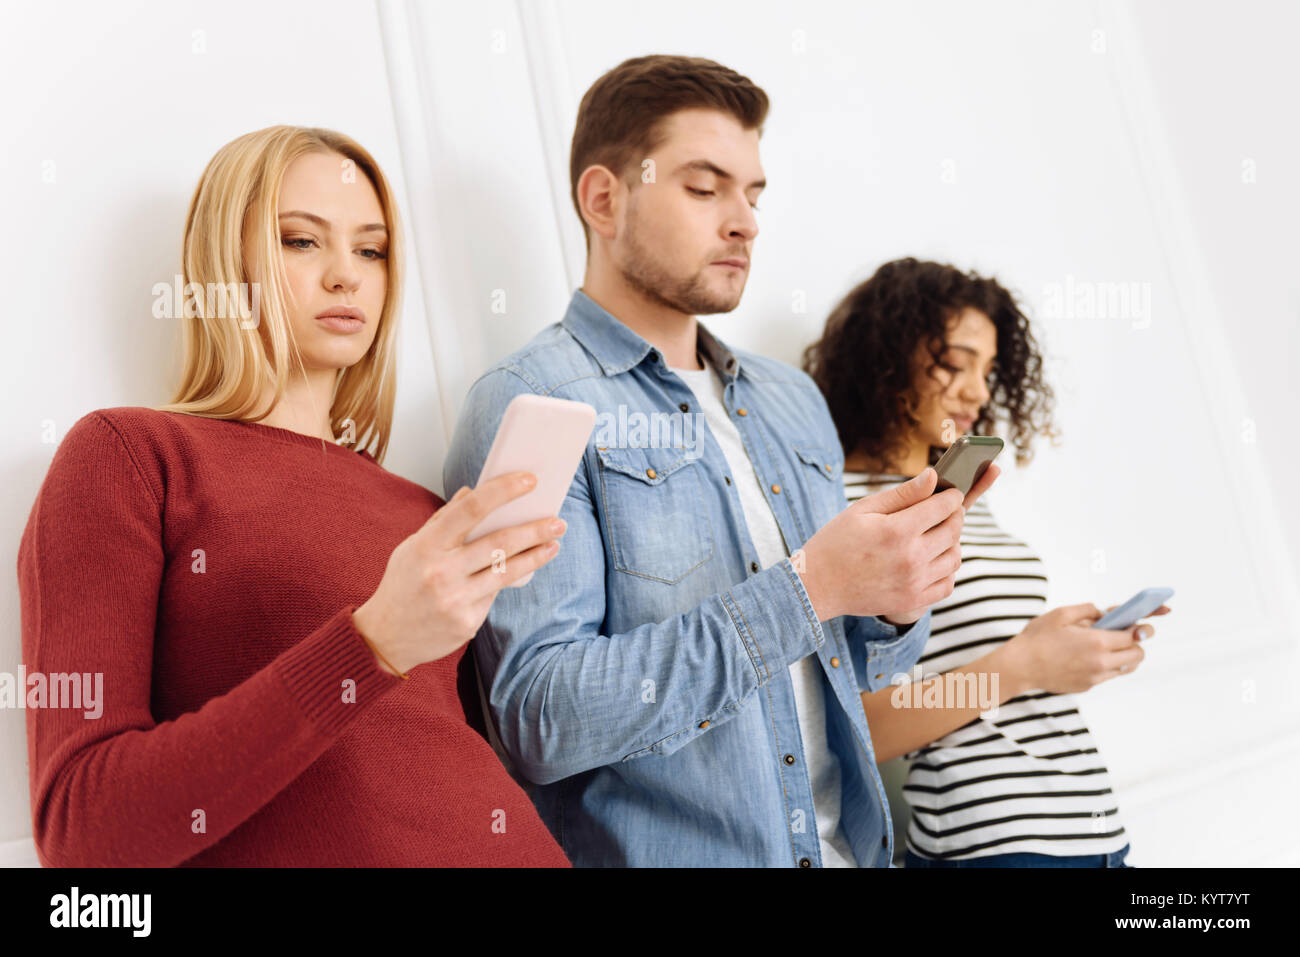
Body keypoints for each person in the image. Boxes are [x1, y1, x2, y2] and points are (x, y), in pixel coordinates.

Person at [442, 56, 998, 867]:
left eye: (754, 193)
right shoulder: (529, 403)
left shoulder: (792, 399)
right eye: (705, 189)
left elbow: (861, 664)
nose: (745, 221)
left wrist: (897, 598)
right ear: (604, 199)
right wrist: (811, 587)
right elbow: (541, 719)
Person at [17, 125, 570, 866]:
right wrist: (372, 643)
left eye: (371, 250)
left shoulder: (422, 510)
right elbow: (83, 831)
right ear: (224, 259)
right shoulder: (129, 457)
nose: (347, 275)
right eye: (301, 241)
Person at [803, 257, 1167, 867]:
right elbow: (855, 727)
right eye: (955, 363)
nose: (977, 391)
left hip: (1099, 838)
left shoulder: (958, 491)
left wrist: (1065, 648)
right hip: (994, 849)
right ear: (884, 357)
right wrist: (1024, 664)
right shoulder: (844, 508)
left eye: (989, 370)